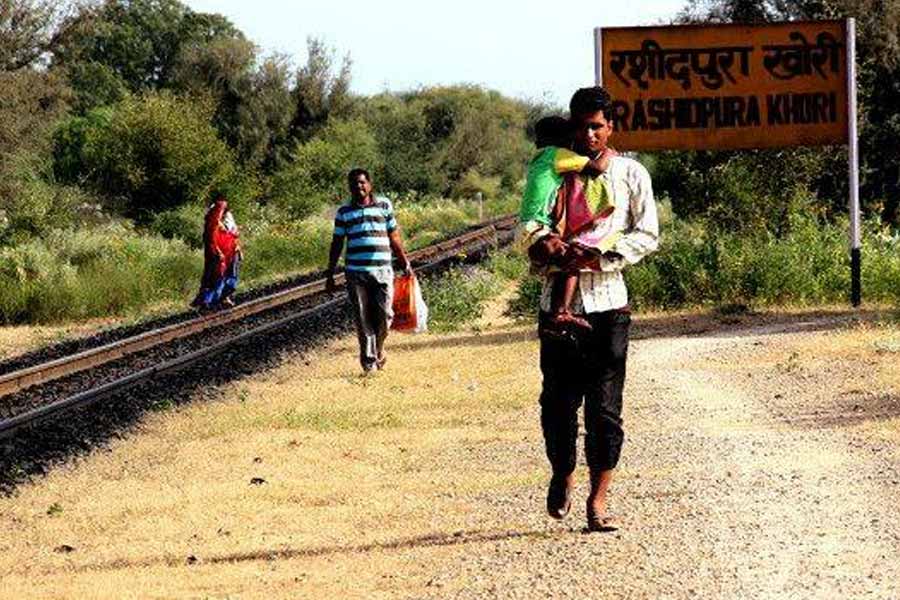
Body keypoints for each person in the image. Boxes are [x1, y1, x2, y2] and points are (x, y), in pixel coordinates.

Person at [530, 87, 659, 532]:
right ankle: (562, 473)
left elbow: (647, 233)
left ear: (610, 127)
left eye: (597, 126)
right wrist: (540, 242)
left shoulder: (630, 173)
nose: (589, 134)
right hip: (556, 307)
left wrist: (602, 256)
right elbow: (526, 224)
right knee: (558, 405)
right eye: (581, 125)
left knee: (605, 409)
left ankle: (598, 501)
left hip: (608, 306)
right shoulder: (552, 168)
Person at [519, 116, 615, 333]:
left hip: (527, 228)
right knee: (573, 257)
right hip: (537, 227)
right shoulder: (558, 155)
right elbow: (597, 168)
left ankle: (559, 314)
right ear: (565, 139)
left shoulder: (540, 157)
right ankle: (560, 312)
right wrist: (609, 151)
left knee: (566, 263)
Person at [326, 168, 412, 374]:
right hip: (356, 272)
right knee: (363, 316)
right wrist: (330, 273)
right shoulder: (344, 213)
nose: (359, 186)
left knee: (384, 314)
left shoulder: (384, 205)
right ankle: (369, 362)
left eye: (362, 182)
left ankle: (379, 349)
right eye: (355, 184)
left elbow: (394, 236)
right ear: (350, 187)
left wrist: (404, 261)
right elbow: (337, 243)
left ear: (370, 184)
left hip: (383, 270)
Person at [192, 194, 242, 310]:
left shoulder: (228, 217)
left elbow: (233, 234)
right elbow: (211, 238)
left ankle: (223, 298)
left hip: (231, 251)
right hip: (219, 252)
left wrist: (237, 247)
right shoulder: (213, 219)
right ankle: (208, 301)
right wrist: (217, 251)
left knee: (229, 275)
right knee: (216, 276)